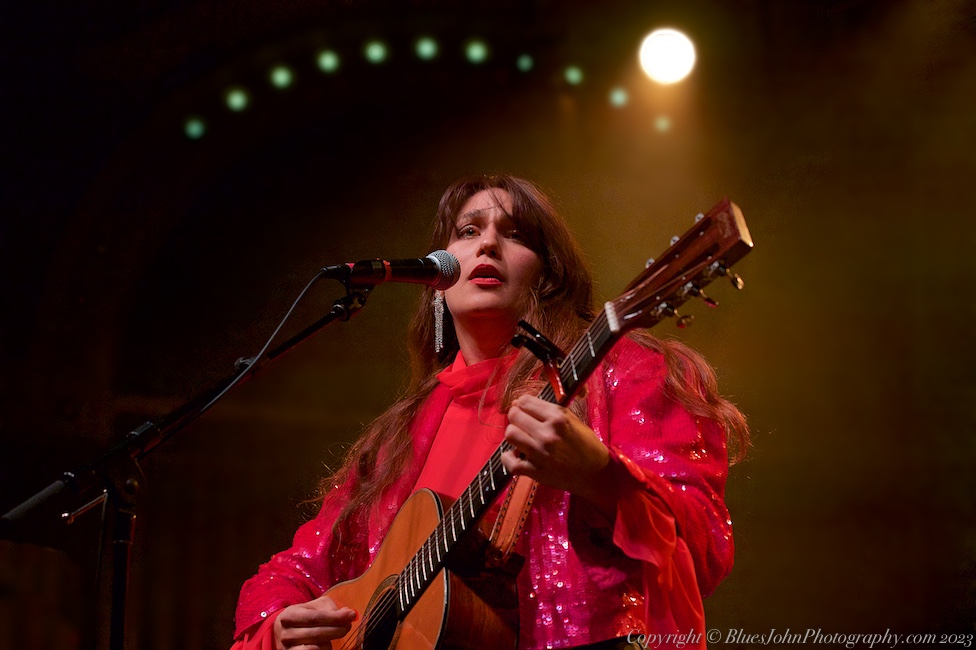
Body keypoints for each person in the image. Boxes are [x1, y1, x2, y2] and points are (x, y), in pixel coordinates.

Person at [230, 174, 748, 650]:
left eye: (515, 234)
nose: (487, 244)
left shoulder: (624, 372)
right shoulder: (399, 436)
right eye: (468, 230)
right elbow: (294, 568)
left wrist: (603, 478)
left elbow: (703, 540)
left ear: (549, 275)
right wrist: (278, 624)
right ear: (438, 281)